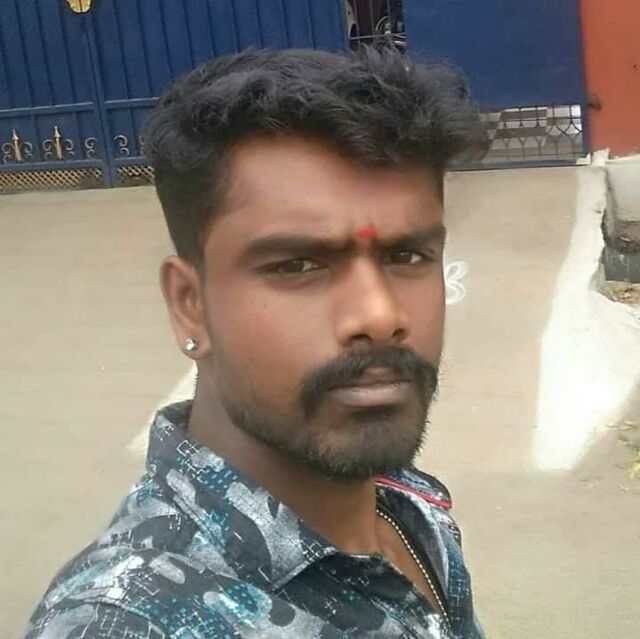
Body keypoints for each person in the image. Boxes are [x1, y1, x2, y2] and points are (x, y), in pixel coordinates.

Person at [24, 47, 487, 638]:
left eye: (407, 255)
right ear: (190, 305)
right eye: (297, 265)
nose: (380, 315)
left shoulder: (407, 505)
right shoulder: (127, 622)